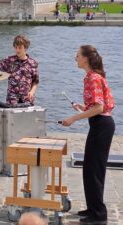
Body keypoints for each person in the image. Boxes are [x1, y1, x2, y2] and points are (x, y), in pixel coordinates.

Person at [62, 45, 115, 225]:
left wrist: (74, 118)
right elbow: (97, 107)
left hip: (102, 126)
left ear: (85, 58)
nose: (75, 58)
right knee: (89, 169)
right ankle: (93, 209)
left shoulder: (93, 78)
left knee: (94, 170)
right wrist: (83, 108)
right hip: (99, 124)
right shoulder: (91, 77)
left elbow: (100, 108)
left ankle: (99, 215)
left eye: (77, 55)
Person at [0, 34, 39, 107]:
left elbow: (35, 81)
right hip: (12, 98)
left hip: (27, 98)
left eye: (20, 48)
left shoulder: (33, 63)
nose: (17, 50)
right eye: (16, 47)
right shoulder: (9, 60)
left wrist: (32, 92)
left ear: (25, 48)